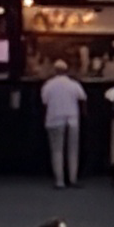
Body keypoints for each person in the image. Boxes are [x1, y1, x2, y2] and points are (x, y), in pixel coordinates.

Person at [40, 60, 84, 189]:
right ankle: (73, 179)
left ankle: (60, 181)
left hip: (55, 119)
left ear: (54, 70)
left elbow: (44, 101)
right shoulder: (73, 84)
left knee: (57, 150)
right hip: (72, 119)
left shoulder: (48, 85)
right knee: (73, 150)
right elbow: (82, 98)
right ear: (67, 70)